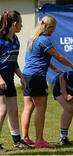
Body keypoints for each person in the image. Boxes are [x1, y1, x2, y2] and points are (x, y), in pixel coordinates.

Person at [21, 15, 73, 148]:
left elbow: (39, 58)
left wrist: (54, 69)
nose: (53, 32)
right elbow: (58, 56)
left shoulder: (32, 39)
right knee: (41, 108)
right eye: (53, 29)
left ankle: (24, 138)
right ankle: (39, 140)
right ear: (49, 27)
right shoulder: (44, 40)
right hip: (36, 78)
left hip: (26, 76)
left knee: (28, 107)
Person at [0, 10, 31, 152]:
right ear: (14, 23)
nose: (22, 26)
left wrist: (21, 76)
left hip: (9, 79)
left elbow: (13, 62)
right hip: (0, 80)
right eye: (20, 23)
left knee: (13, 110)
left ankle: (17, 141)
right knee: (3, 110)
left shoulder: (15, 40)